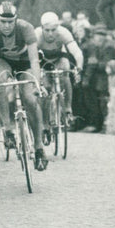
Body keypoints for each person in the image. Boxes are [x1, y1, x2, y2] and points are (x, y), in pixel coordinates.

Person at [0, 2, 48, 170]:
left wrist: (36, 84)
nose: (7, 26)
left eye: (11, 22)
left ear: (16, 21)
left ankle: (39, 147)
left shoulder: (26, 28)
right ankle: (8, 129)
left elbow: (34, 60)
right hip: (3, 60)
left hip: (25, 61)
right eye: (3, 21)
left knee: (31, 100)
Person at [35, 12, 84, 143]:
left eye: (53, 30)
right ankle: (45, 124)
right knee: (44, 90)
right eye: (47, 30)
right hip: (43, 62)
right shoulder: (36, 35)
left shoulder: (64, 32)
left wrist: (79, 67)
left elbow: (77, 52)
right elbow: (31, 59)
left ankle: (68, 108)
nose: (50, 34)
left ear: (58, 27)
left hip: (59, 58)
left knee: (65, 73)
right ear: (42, 28)